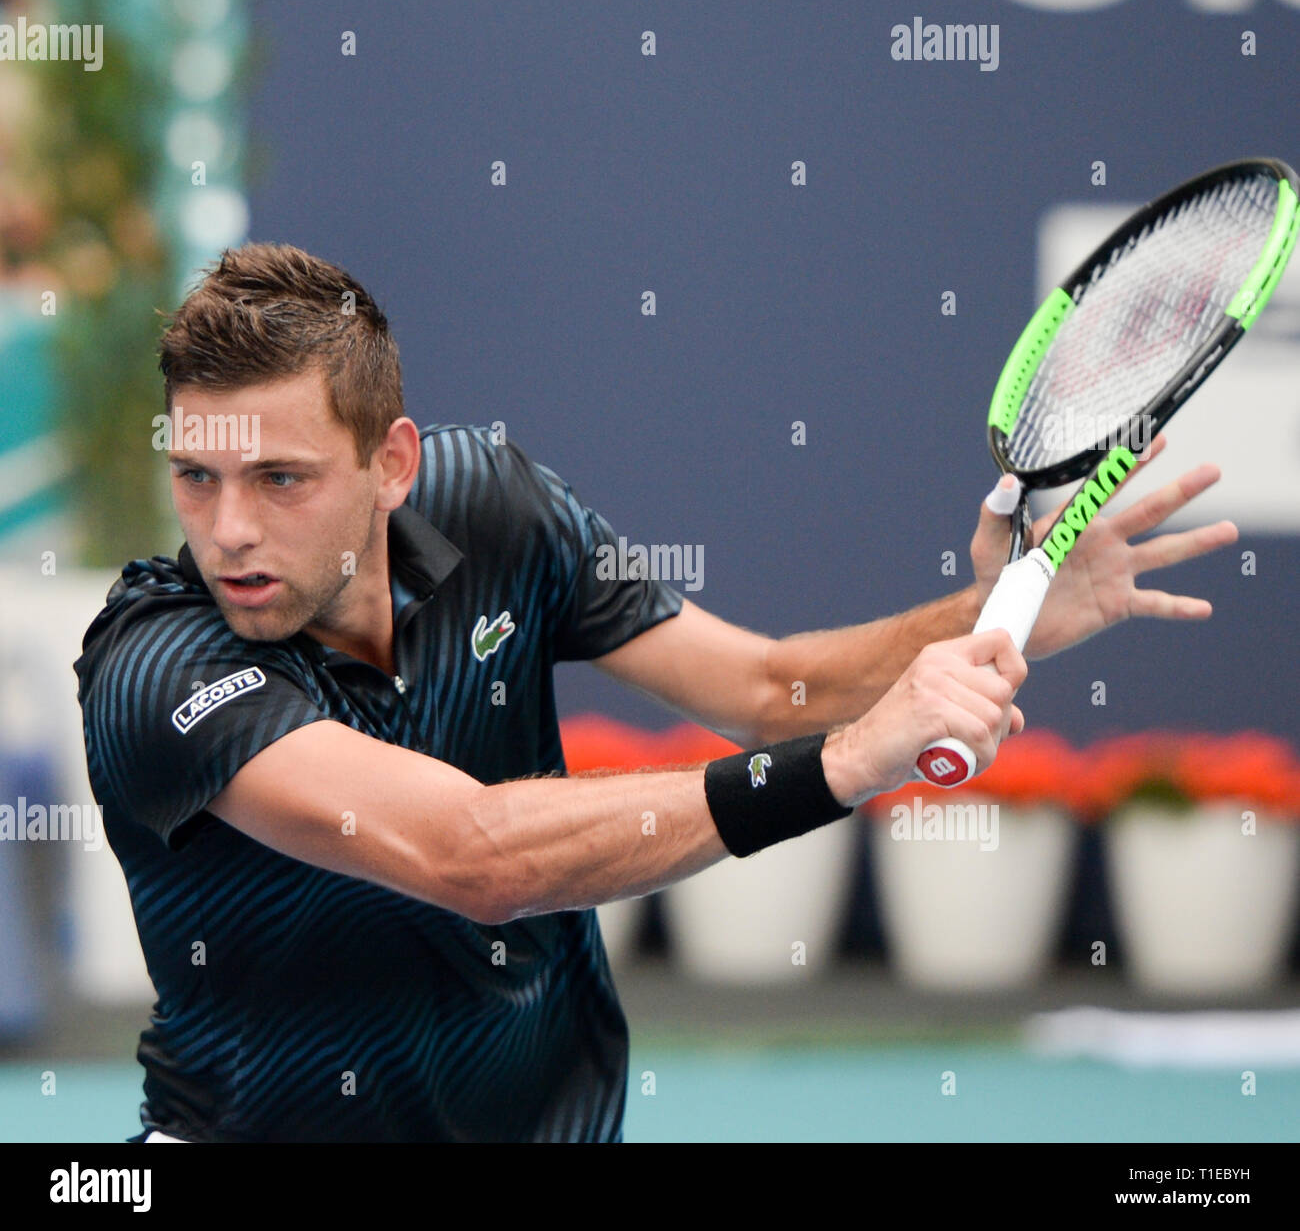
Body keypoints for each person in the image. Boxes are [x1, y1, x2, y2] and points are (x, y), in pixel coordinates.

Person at [73, 243, 1236, 1143]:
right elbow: (472, 856)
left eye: (280, 478)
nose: (229, 530)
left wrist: (991, 608)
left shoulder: (498, 508)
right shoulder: (157, 666)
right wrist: (844, 764)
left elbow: (769, 687)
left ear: (393, 464)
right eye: (196, 475)